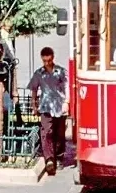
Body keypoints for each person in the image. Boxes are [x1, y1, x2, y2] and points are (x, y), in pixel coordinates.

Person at [27, 47, 69, 176]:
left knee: (60, 135)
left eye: (49, 60)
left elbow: (67, 87)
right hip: (46, 107)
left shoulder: (60, 72)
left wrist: (67, 103)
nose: (47, 63)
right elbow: (34, 89)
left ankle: (59, 157)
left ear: (52, 58)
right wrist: (34, 105)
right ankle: (49, 159)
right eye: (44, 61)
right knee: (46, 133)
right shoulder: (39, 73)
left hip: (59, 107)